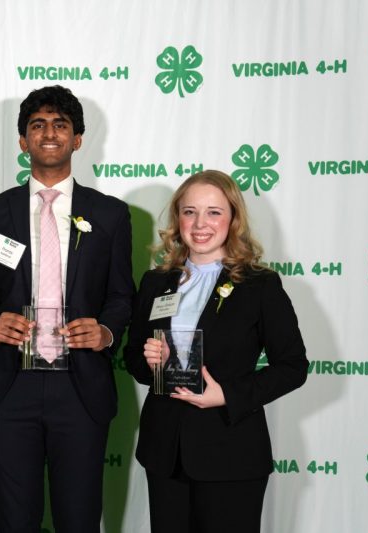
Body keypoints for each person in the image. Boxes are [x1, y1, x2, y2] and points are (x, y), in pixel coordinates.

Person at [0, 85, 135, 531]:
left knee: (79, 519)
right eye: (37, 125)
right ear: (22, 140)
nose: (49, 133)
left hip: (81, 387)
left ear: (78, 139)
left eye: (60, 125)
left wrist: (106, 332)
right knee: (14, 521)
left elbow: (123, 297)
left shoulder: (112, 215)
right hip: (10, 385)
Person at [123, 170, 308, 533]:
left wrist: (227, 395)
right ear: (178, 218)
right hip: (165, 452)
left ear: (233, 219)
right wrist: (149, 362)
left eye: (214, 212)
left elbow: (293, 366)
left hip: (231, 450)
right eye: (189, 211)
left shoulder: (259, 285)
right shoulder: (156, 282)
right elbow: (134, 359)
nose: (200, 223)